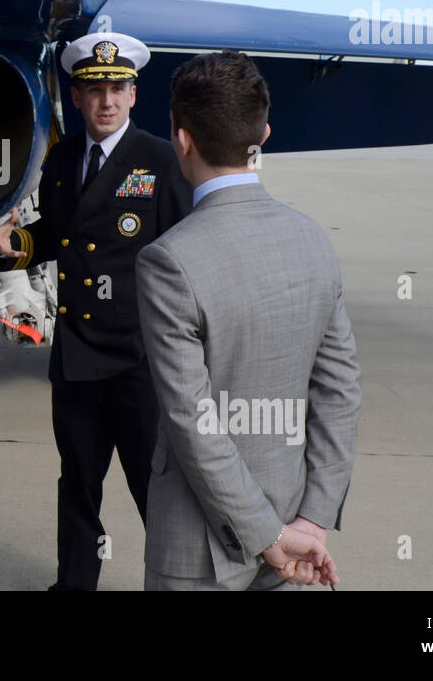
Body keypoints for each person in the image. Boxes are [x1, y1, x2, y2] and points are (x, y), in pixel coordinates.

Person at [136, 49, 361, 590]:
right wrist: (309, 519)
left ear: (182, 139)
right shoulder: (312, 238)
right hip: (299, 524)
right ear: (263, 133)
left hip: (200, 544)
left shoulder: (169, 260)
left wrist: (267, 533)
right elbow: (340, 390)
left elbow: (194, 422)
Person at [0, 31, 192, 590]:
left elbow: (188, 250)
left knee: (155, 491)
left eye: (117, 88)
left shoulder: (160, 159)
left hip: (137, 361)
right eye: (93, 88)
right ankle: (74, 585)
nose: (106, 100)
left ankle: (182, 584)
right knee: (77, 484)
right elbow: (58, 234)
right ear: (75, 96)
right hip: (77, 358)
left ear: (133, 94)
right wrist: (17, 245)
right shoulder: (62, 159)